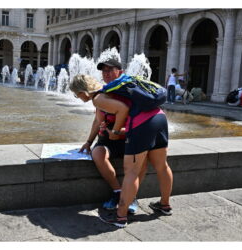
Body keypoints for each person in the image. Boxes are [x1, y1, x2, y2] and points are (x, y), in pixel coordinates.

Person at [70, 73, 173, 228]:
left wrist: (116, 132)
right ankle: (164, 205)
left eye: (76, 94)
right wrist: (90, 141)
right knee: (162, 166)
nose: (77, 97)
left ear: (83, 91)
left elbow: (123, 109)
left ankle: (120, 217)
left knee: (131, 172)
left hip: (142, 123)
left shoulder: (99, 98)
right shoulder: (112, 91)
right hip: (159, 117)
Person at [78, 59, 146, 214]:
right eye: (104, 71)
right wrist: (89, 142)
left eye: (110, 70)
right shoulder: (102, 93)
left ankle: (131, 196)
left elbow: (138, 116)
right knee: (97, 153)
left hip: (129, 136)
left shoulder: (130, 91)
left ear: (120, 72)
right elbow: (97, 120)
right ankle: (117, 192)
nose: (106, 74)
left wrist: (119, 131)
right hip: (108, 138)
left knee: (141, 163)